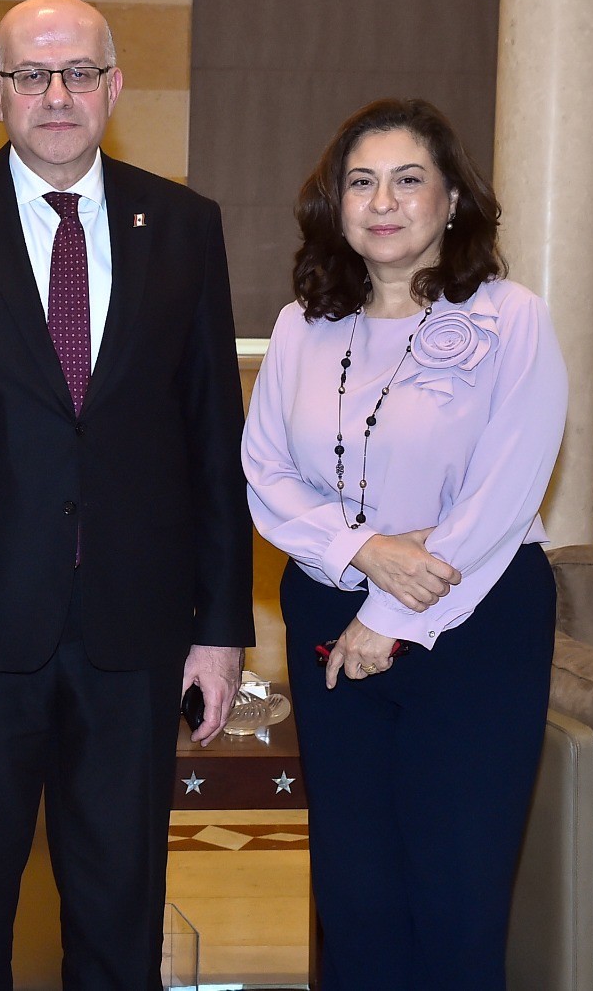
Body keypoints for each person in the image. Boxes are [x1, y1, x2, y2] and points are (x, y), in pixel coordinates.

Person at [0, 0, 254, 989]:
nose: (57, 94)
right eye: (31, 75)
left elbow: (214, 437)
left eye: (78, 71)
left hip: (135, 634)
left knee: (119, 920)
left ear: (115, 86)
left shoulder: (184, 225)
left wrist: (221, 624)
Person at [242, 97, 566, 988]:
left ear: (453, 199)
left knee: (456, 893)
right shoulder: (304, 327)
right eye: (360, 182)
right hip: (328, 613)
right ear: (334, 204)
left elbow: (502, 493)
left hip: (476, 622)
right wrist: (364, 551)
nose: (382, 202)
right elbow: (266, 472)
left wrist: (388, 609)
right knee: (356, 893)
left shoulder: (512, 320)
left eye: (408, 179)